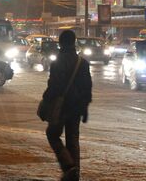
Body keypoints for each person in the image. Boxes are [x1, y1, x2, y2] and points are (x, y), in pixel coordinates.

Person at [43, 30, 92, 181]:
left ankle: (68, 165)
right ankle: (74, 174)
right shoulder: (82, 63)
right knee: (73, 139)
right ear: (74, 42)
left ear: (60, 43)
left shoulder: (57, 62)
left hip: (61, 106)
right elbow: (87, 87)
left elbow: (54, 86)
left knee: (52, 134)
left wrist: (46, 100)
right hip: (76, 107)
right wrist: (85, 108)